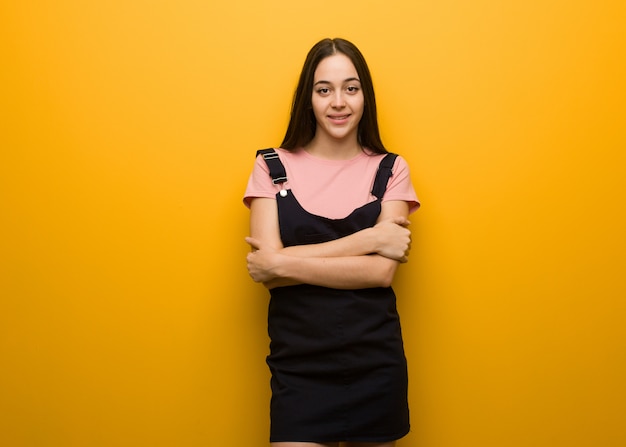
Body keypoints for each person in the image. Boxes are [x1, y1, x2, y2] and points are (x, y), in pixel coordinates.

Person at [243, 37, 420, 447]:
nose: (338, 102)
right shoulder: (271, 166)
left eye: (350, 88)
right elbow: (270, 279)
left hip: (375, 365)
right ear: (309, 98)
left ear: (365, 97)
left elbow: (380, 272)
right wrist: (371, 237)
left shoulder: (392, 169)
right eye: (324, 90)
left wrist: (282, 261)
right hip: (298, 368)